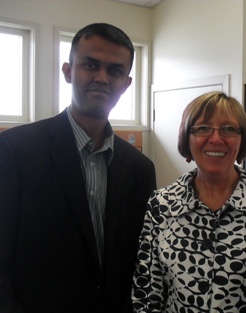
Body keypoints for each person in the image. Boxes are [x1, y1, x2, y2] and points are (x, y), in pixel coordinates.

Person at [0, 23, 156, 313]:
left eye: (115, 70)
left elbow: (141, 260)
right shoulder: (14, 151)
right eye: (90, 65)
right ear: (68, 71)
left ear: (127, 82)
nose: (102, 77)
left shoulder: (140, 169)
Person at [132, 91, 246, 312]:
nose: (216, 139)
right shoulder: (162, 205)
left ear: (241, 139)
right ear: (187, 139)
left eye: (228, 129)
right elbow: (146, 295)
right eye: (203, 128)